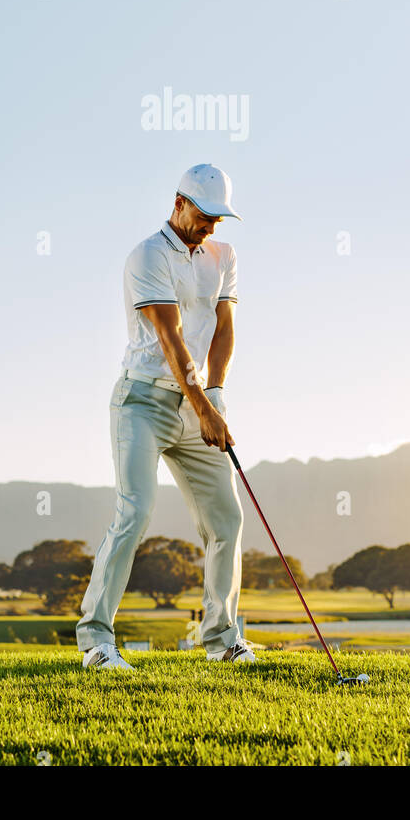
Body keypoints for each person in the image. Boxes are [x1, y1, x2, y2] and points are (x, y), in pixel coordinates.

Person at [76, 164, 253, 671]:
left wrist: (215, 396)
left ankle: (222, 638)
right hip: (142, 402)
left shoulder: (223, 255)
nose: (211, 226)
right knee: (134, 514)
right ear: (179, 203)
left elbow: (223, 329)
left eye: (219, 218)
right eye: (204, 215)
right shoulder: (148, 256)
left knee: (227, 519)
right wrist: (204, 408)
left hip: (198, 403)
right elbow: (172, 340)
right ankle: (96, 641)